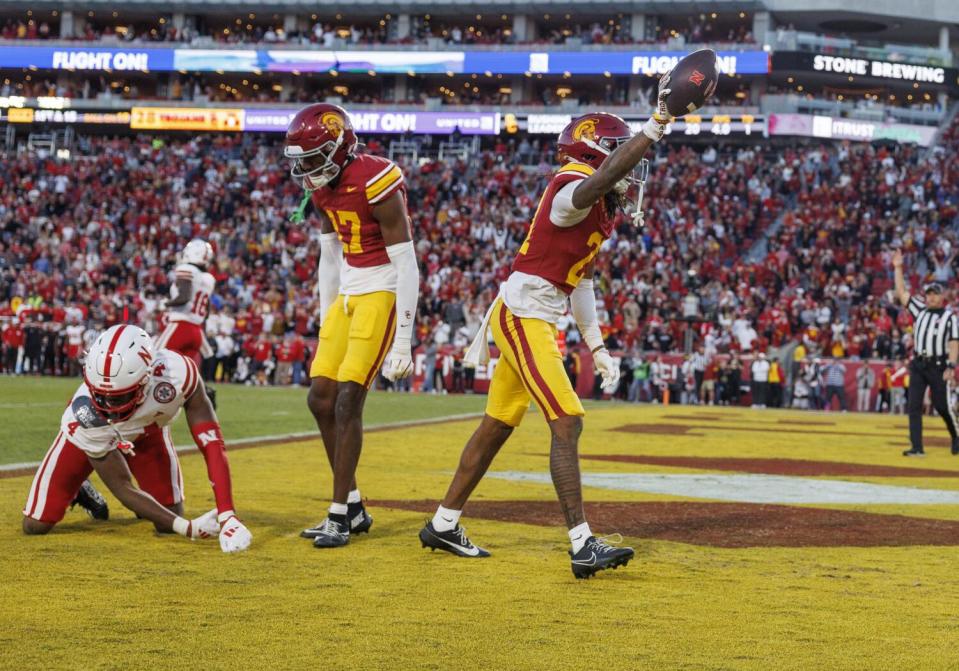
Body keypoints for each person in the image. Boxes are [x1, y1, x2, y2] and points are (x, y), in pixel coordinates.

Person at [419, 93, 672, 578]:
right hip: (523, 312)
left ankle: (443, 522)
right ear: (599, 153)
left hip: (538, 311)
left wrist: (596, 346)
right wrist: (654, 125)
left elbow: (583, 282)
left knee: (497, 423)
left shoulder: (597, 209)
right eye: (616, 151)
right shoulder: (570, 187)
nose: (630, 170)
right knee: (567, 419)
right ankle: (582, 544)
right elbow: (600, 179)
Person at [285, 103, 420, 547]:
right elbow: (329, 254)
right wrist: (328, 313)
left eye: (313, 157)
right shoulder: (322, 187)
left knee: (347, 401)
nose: (306, 169)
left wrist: (404, 340)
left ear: (340, 147)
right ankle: (355, 506)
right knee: (319, 398)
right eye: (301, 159)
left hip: (382, 287)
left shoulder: (376, 180)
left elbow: (407, 263)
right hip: (348, 293)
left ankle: (339, 514)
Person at [21, 325, 250, 552]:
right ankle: (80, 486)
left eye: (120, 397)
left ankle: (146, 495)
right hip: (93, 435)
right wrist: (187, 528)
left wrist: (227, 514)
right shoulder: (86, 412)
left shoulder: (177, 373)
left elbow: (211, 444)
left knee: (167, 517)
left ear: (147, 378)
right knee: (35, 524)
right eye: (100, 394)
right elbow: (122, 487)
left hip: (147, 432)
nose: (108, 406)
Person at [892, 250, 959, 456]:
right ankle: (917, 447)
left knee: (942, 406)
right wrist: (898, 268)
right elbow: (901, 293)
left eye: (935, 294)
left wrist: (951, 366)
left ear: (942, 297)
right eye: (928, 294)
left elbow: (954, 342)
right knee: (913, 406)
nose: (931, 297)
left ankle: (956, 436)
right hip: (919, 364)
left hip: (939, 365)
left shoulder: (950, 317)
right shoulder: (919, 309)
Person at [153, 239, 218, 407]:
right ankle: (204, 401)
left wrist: (164, 304)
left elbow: (184, 297)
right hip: (196, 330)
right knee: (188, 377)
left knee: (152, 358)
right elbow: (207, 310)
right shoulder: (207, 278)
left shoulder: (186, 270)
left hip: (181, 325)